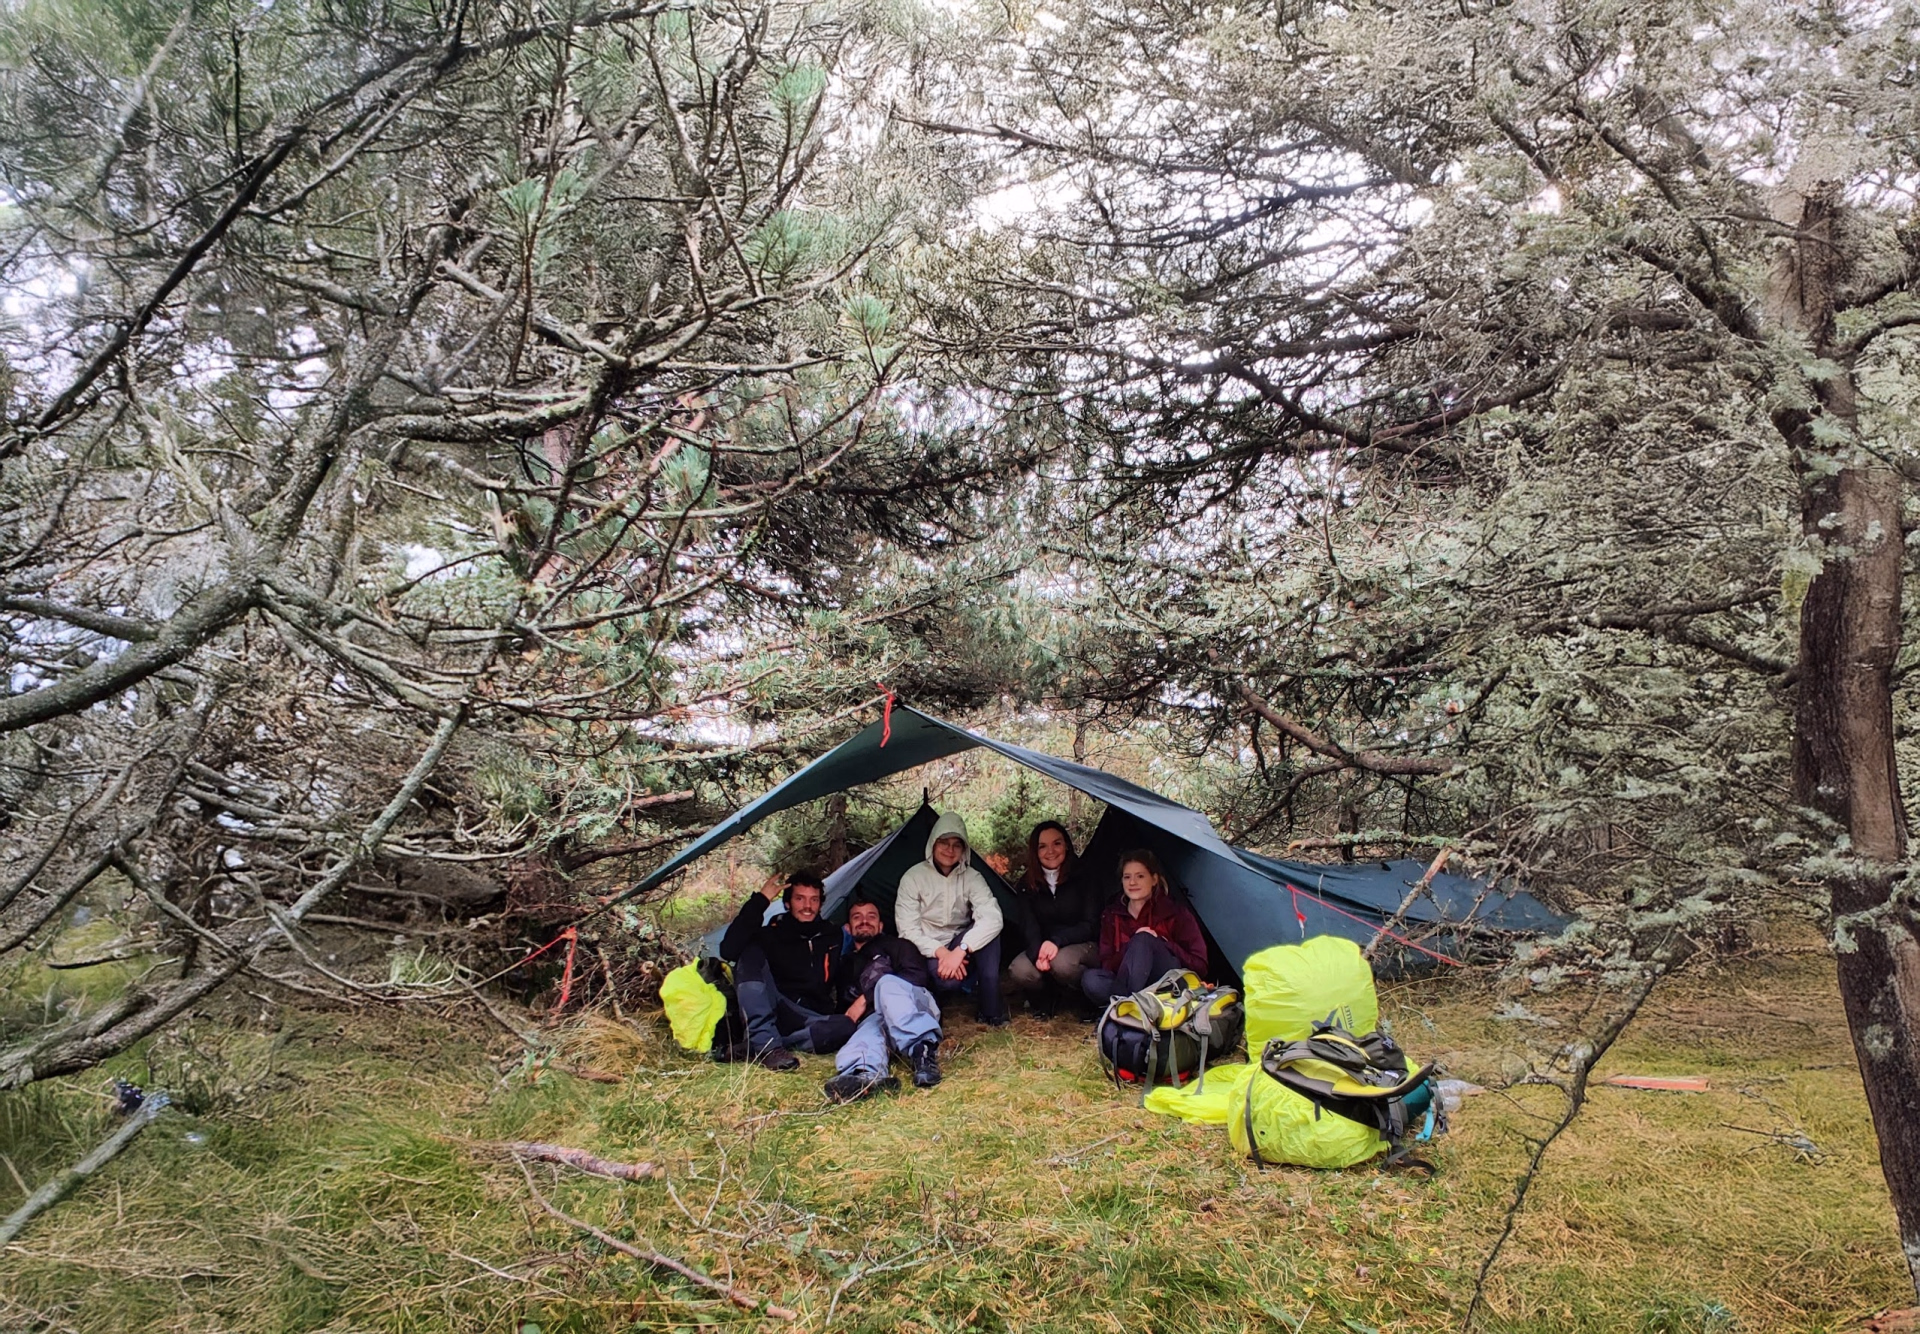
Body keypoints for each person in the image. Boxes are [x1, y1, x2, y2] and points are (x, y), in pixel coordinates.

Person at [717, 870, 851, 1070]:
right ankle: (768, 1046)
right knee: (749, 953)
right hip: (777, 1005)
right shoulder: (771, 933)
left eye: (814, 900)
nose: (807, 906)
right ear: (788, 903)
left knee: (846, 1026)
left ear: (820, 904)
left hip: (809, 1016)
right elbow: (728, 950)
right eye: (800, 899)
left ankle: (759, 1046)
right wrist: (761, 900)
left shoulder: (833, 935)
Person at [822, 893, 944, 1102]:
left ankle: (922, 1053)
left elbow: (917, 977)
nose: (865, 921)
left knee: (886, 983)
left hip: (913, 1005)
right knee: (869, 1028)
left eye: (871, 916)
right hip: (879, 1020)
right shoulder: (844, 964)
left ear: (880, 925)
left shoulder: (898, 945)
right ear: (848, 928)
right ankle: (865, 1075)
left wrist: (865, 998)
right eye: (857, 917)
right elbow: (847, 1010)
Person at [893, 811, 1010, 1026]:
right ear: (933, 844)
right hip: (928, 948)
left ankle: (991, 1010)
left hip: (960, 944)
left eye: (957, 844)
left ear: (964, 849)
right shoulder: (913, 877)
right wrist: (942, 952)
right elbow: (907, 930)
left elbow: (993, 917)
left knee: (991, 932)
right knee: (947, 982)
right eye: (944, 842)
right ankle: (937, 997)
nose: (950, 849)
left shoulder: (972, 877)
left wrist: (961, 949)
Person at [1081, 849, 1210, 1006]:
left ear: (1154, 879)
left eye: (1140, 876)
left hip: (1165, 983)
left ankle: (1128, 1008)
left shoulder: (1176, 912)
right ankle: (1137, 1004)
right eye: (1127, 877)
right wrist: (1130, 948)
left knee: (1143, 940)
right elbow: (1107, 964)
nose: (1132, 882)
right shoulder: (1112, 914)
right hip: (1125, 979)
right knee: (1091, 979)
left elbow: (1200, 966)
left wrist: (1161, 942)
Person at [1004, 820, 1101, 1017]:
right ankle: (1047, 998)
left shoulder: (1086, 876)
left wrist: (1057, 941)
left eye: (1056, 843)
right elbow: (1028, 925)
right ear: (1035, 851)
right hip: (1045, 946)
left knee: (1062, 963)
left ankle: (1087, 999)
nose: (1051, 851)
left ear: (1066, 845)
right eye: (1042, 846)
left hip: (1082, 944)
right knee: (1020, 969)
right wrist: (1037, 953)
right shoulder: (1026, 883)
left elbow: (1091, 924)